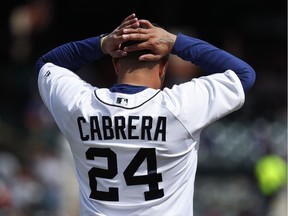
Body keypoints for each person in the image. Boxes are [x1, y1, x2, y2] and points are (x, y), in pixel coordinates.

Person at [36, 13, 256, 216]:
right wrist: (174, 42)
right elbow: (244, 74)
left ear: (115, 63)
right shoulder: (179, 108)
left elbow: (47, 64)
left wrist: (103, 43)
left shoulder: (80, 106)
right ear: (163, 68)